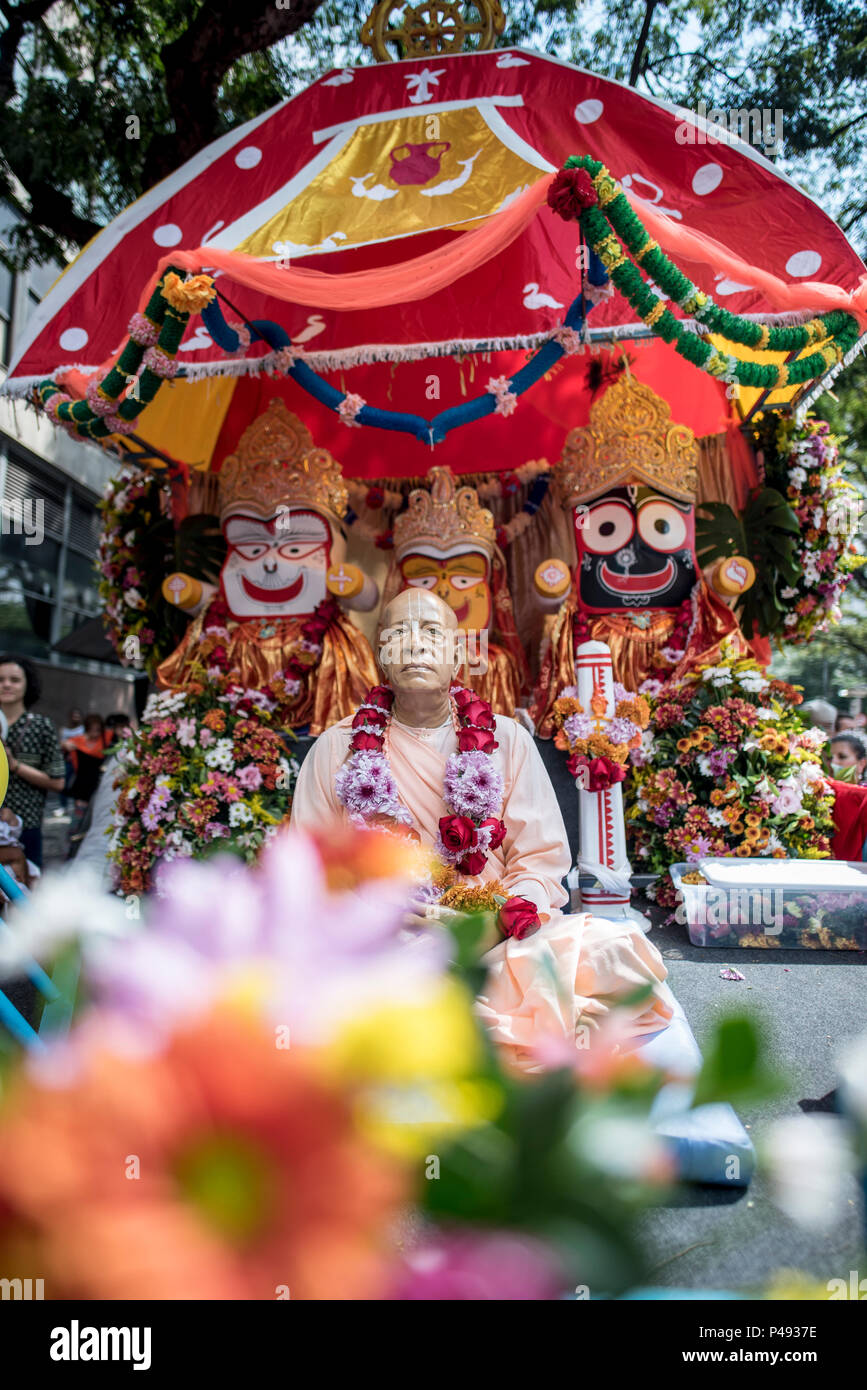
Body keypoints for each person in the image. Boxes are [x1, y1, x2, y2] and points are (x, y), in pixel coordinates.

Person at [291, 587, 674, 1072]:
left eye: (431, 632)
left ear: (458, 652)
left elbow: (541, 860)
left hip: (497, 936)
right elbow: (310, 872)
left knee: (619, 952)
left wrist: (494, 922)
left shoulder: (507, 739)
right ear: (381, 657)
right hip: (381, 937)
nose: (415, 644)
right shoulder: (336, 747)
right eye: (398, 634)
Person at [0, 654, 65, 869]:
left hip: (27, 828)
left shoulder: (41, 726)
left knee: (25, 894)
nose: (6, 685)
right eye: (0, 679)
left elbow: (58, 782)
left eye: (15, 680)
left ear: (28, 685)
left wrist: (15, 766)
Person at [64, 714, 108, 818]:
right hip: (82, 786)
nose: (96, 733)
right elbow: (64, 744)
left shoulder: (105, 738)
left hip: (99, 785)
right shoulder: (78, 741)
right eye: (93, 729)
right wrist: (65, 745)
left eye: (98, 730)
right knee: (79, 817)